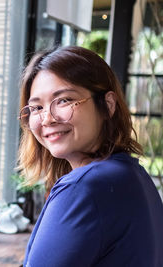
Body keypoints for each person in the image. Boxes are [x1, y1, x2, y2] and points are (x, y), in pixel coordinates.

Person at [18, 46, 163, 267]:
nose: (47, 118)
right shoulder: (133, 174)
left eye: (64, 100)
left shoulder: (83, 188)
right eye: (37, 107)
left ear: (108, 104)